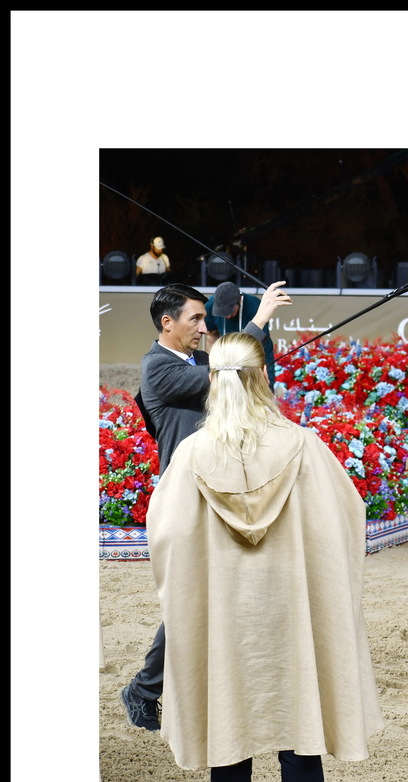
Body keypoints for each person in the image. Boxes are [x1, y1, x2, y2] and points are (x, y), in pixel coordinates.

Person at [147, 331, 384, 782]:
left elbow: (168, 537)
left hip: (224, 615)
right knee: (300, 727)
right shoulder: (304, 446)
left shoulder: (192, 454)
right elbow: (343, 521)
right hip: (293, 610)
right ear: (264, 377)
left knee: (227, 731)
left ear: (213, 381)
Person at [120, 281, 290, 733]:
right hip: (187, 500)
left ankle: (177, 688)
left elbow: (238, 376)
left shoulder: (196, 361)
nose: (204, 326)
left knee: (215, 597)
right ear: (167, 323)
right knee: (189, 603)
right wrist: (259, 319)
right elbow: (229, 368)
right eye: (196, 318)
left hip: (219, 492)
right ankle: (144, 690)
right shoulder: (157, 367)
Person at [206, 281, 277, 388]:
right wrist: (212, 365)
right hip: (226, 357)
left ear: (239, 300)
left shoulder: (255, 306)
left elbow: (260, 345)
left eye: (230, 311)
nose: (227, 316)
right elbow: (211, 335)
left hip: (255, 352)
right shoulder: (209, 306)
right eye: (223, 313)